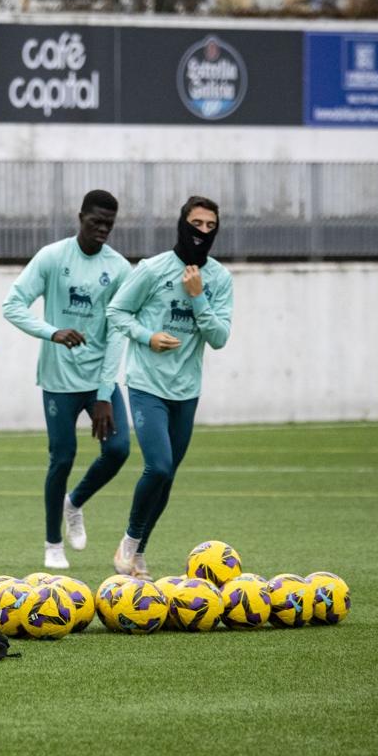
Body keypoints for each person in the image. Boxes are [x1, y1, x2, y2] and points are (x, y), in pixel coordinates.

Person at [1, 190, 132, 569]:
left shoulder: (120, 269)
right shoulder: (53, 257)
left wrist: (106, 393)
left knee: (119, 448)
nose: (103, 229)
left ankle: (74, 502)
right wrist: (51, 332)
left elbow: (117, 333)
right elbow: (12, 305)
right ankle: (52, 544)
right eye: (96, 222)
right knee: (62, 457)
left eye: (109, 223)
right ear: (80, 218)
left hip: (98, 381)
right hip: (58, 379)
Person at [106, 196, 232, 578]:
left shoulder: (219, 279)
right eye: (197, 224)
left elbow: (219, 336)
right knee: (158, 467)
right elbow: (116, 311)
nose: (202, 232)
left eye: (211, 227)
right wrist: (147, 337)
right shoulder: (153, 269)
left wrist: (197, 298)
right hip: (147, 385)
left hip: (186, 391)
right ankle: (128, 542)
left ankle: (139, 552)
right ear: (182, 223)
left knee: (168, 476)